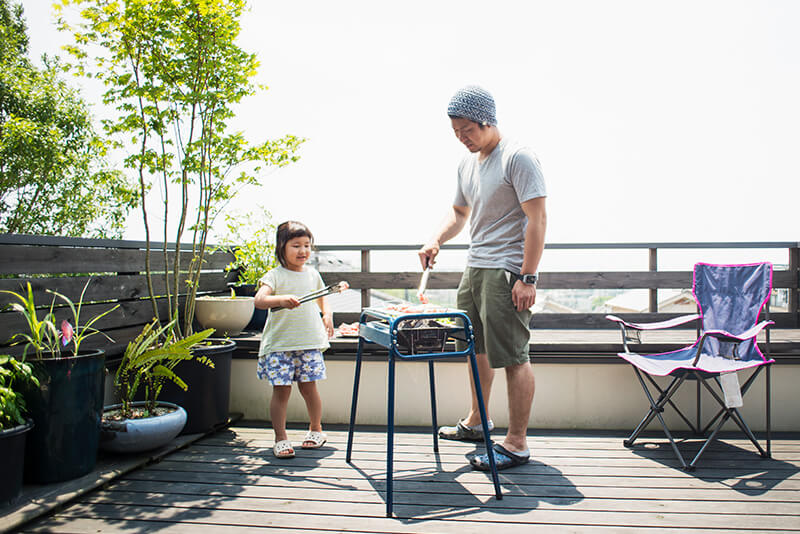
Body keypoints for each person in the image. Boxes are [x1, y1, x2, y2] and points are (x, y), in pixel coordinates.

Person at [418, 85, 547, 471]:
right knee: (476, 350)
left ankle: (517, 443)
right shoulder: (467, 163)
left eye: (467, 130)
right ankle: (478, 421)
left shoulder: (518, 157)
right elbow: (459, 212)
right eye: (456, 133)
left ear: (487, 120)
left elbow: (538, 220)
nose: (462, 138)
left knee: (512, 356)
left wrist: (528, 277)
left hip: (506, 271)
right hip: (474, 268)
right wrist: (436, 239)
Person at [254, 220, 335, 459]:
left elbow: (324, 300)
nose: (303, 251)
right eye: (296, 245)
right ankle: (280, 438)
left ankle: (316, 431)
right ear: (282, 248)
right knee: (281, 392)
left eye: (307, 245)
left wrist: (328, 314)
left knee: (310, 389)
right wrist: (281, 299)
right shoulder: (274, 275)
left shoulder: (312, 274)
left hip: (308, 343)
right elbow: (259, 301)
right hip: (280, 346)